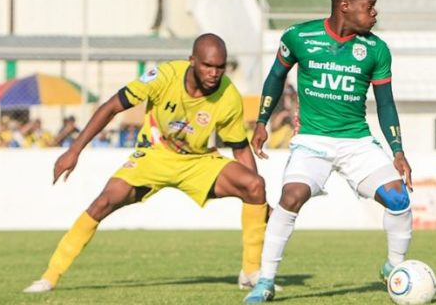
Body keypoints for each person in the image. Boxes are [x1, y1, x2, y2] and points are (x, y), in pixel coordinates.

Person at [24, 33, 269, 293]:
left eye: (220, 67)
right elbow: (111, 107)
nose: (214, 73)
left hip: (196, 161)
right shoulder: (163, 77)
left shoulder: (228, 95)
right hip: (153, 154)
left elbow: (240, 149)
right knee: (105, 201)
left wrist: (259, 200)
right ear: (192, 61)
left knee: (254, 184)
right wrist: (74, 150)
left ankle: (250, 272)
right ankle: (49, 277)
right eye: (208, 66)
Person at [244, 0, 413, 303]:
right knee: (290, 197)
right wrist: (262, 120)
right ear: (345, 5)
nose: (375, 12)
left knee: (398, 198)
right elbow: (276, 76)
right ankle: (264, 281)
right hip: (312, 141)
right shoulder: (299, 37)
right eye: (370, 6)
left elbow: (385, 103)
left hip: (357, 142)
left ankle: (395, 269)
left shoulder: (376, 49)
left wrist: (397, 150)